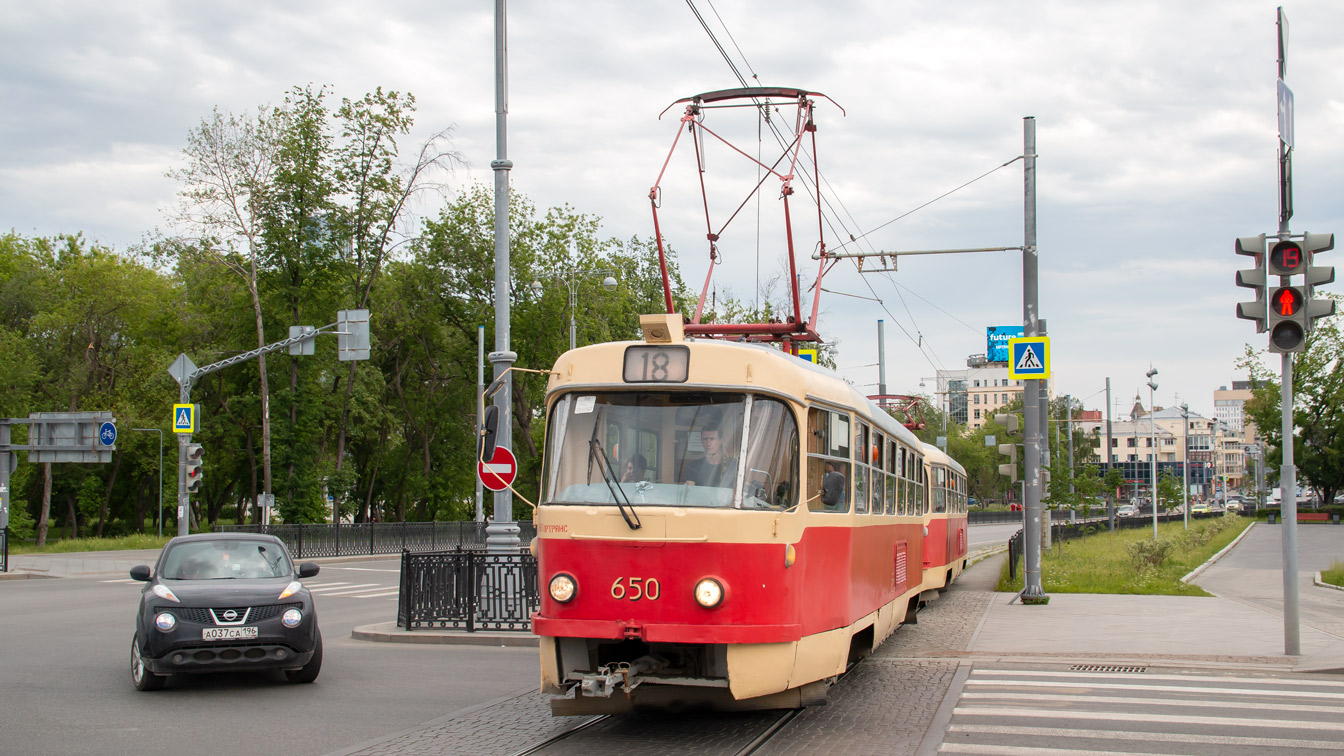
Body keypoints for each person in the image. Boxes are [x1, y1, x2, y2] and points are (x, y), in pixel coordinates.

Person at [680, 415, 736, 487]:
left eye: (712, 439)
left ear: (721, 440)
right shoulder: (693, 466)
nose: (708, 443)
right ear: (701, 440)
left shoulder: (733, 465)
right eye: (705, 439)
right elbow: (690, 491)